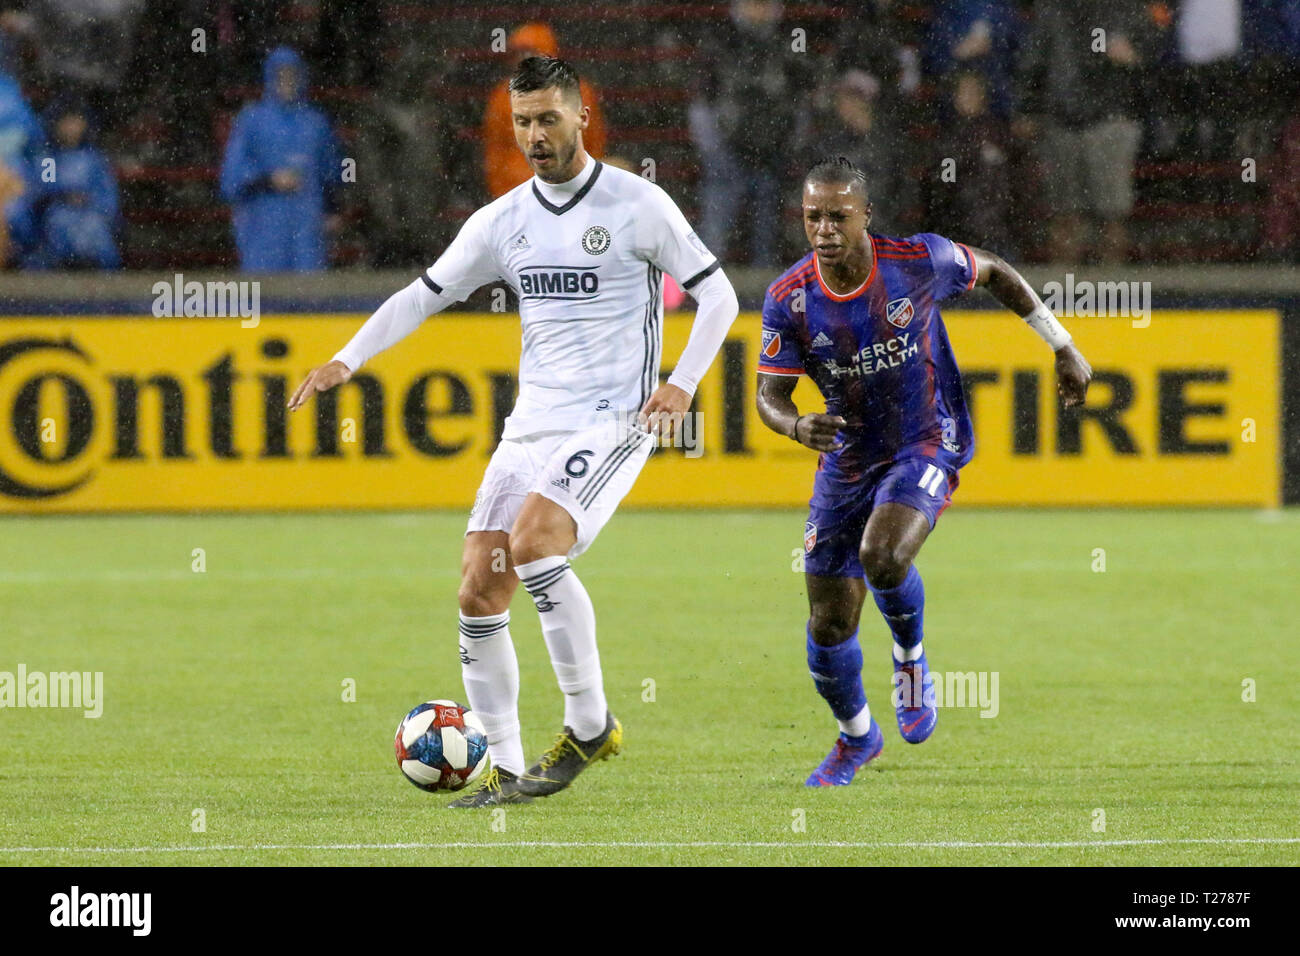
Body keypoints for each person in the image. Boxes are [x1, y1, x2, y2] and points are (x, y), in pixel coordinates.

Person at [288, 56, 739, 807]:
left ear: (581, 116)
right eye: (523, 121)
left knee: (534, 544)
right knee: (478, 589)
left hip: (614, 418)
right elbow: (422, 296)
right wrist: (346, 358)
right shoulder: (503, 220)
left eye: (548, 119)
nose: (534, 134)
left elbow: (718, 294)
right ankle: (503, 765)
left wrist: (681, 383)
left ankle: (590, 725)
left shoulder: (638, 204)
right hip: (531, 424)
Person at [754, 157, 1092, 786]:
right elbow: (768, 396)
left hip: (924, 440)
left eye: (838, 215)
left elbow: (994, 271)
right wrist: (796, 425)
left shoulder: (918, 262)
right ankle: (857, 738)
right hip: (846, 461)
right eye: (813, 216)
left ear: (866, 215)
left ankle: (910, 657)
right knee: (828, 623)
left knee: (883, 555)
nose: (825, 228)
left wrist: (1062, 343)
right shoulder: (788, 297)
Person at [219, 46, 342, 272]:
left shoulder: (316, 122)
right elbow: (231, 177)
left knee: (310, 298)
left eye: (292, 75)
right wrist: (268, 179)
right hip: (263, 227)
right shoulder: (252, 120)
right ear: (270, 76)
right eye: (281, 75)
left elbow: (331, 172)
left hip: (308, 228)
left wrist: (332, 210)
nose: (287, 82)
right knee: (265, 296)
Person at [481, 24, 606, 199]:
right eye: (519, 54)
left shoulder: (577, 91)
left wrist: (582, 184)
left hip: (567, 187)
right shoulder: (501, 97)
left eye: (531, 53)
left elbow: (593, 142)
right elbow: (495, 151)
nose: (524, 60)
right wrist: (504, 193)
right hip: (517, 189)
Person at [24, 104, 121, 269]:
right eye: (66, 122)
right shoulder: (49, 159)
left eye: (76, 122)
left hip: (91, 213)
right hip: (57, 213)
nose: (71, 128)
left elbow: (107, 195)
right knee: (60, 223)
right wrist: (63, 197)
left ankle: (94, 268)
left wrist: (92, 204)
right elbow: (43, 191)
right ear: (55, 124)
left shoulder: (93, 159)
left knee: (95, 229)